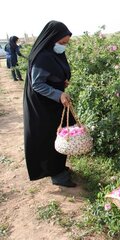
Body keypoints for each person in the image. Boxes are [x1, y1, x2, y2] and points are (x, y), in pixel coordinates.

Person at [23, 20, 76, 187]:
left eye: (66, 43)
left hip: (53, 102)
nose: (63, 47)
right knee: (49, 138)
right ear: (51, 39)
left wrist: (61, 81)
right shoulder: (42, 57)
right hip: (43, 105)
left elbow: (52, 74)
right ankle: (56, 174)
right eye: (61, 43)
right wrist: (58, 93)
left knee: (59, 135)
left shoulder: (53, 54)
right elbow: (37, 84)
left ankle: (59, 167)